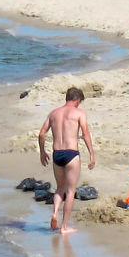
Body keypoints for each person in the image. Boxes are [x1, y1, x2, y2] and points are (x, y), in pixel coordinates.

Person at [37, 86, 98, 234]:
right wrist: (92, 154)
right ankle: (64, 227)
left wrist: (42, 152)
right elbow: (85, 134)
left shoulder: (53, 113)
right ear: (77, 100)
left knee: (59, 188)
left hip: (57, 154)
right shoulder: (79, 113)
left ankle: (55, 213)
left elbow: (41, 134)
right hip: (71, 154)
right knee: (70, 191)